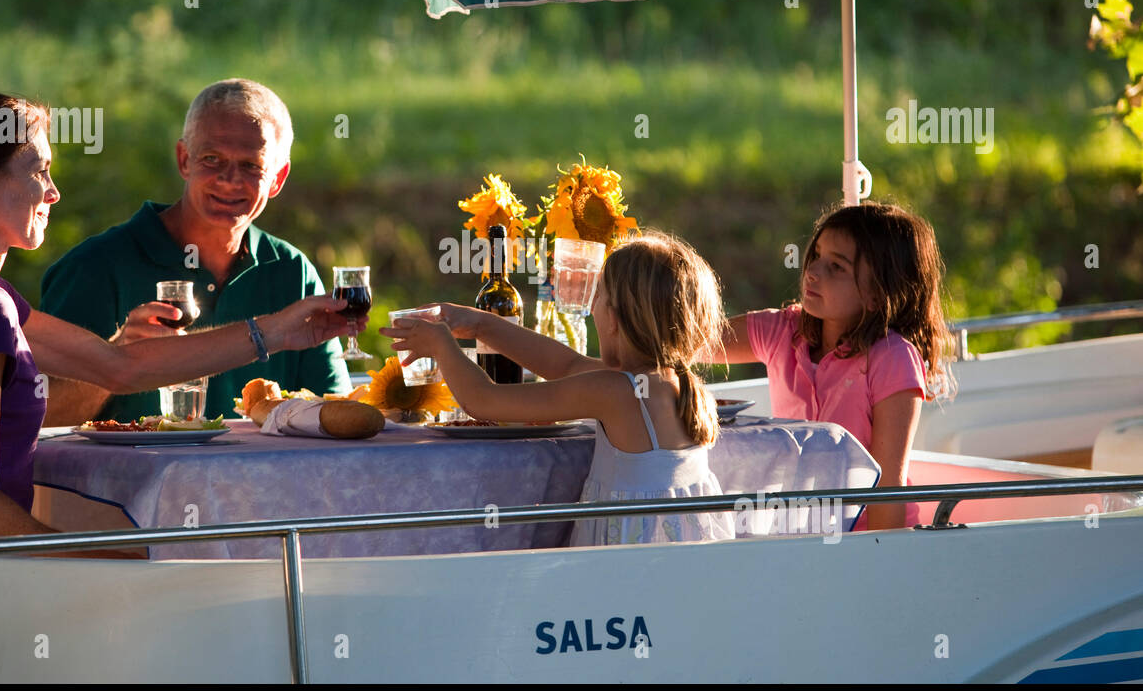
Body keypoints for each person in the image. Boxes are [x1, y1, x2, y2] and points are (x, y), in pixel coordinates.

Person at [0, 91, 351, 541]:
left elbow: (118, 369)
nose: (54, 192)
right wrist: (103, 557)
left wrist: (278, 331)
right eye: (39, 170)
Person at [384, 232, 735, 546]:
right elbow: (566, 365)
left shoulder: (615, 391)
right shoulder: (675, 383)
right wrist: (481, 324)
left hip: (629, 567)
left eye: (597, 297)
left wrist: (443, 347)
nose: (592, 307)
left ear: (613, 319)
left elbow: (484, 401)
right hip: (684, 563)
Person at [39, 78, 351, 425]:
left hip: (264, 479)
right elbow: (40, 418)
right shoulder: (93, 268)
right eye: (212, 159)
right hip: (133, 480)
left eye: (251, 165)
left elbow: (331, 412)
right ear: (184, 159)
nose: (230, 179)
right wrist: (115, 360)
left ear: (277, 178)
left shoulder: (293, 271)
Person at [718, 202, 956, 530]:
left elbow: (889, 482)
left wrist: (882, 559)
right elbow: (691, 338)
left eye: (837, 267)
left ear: (877, 294)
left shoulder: (892, 358)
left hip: (865, 538)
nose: (813, 271)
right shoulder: (783, 331)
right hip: (796, 530)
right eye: (815, 256)